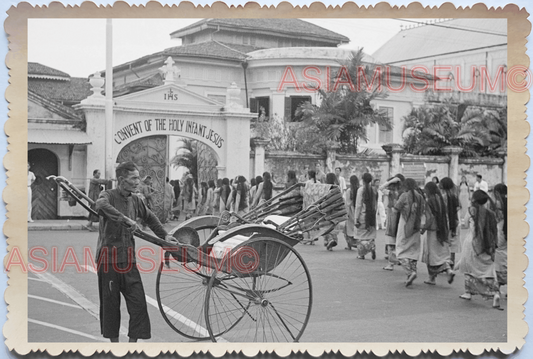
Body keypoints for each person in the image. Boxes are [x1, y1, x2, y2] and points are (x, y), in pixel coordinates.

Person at [95, 161, 174, 342]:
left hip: (129, 261)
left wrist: (165, 237)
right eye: (134, 178)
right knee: (111, 306)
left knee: (138, 304)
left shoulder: (136, 200)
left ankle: (132, 344)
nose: (138, 182)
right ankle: (114, 346)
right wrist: (125, 219)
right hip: (108, 261)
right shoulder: (107, 195)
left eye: (138, 177)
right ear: (122, 180)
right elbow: (100, 206)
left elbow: (150, 218)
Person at [455, 190, 502, 310]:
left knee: (469, 268)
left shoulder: (471, 211)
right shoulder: (491, 213)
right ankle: (495, 293)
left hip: (473, 244)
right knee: (487, 270)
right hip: (487, 244)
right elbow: (494, 230)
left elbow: (464, 224)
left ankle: (468, 292)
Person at [420, 181, 455, 285]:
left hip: (432, 231)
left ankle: (431, 278)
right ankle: (448, 269)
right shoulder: (441, 199)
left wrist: (424, 228)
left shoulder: (429, 201)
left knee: (431, 255)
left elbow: (429, 218)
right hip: (442, 230)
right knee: (441, 254)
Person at [394, 178, 425, 286]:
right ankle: (413, 272)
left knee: (401, 250)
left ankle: (410, 272)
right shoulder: (420, 197)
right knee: (413, 251)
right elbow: (422, 211)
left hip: (405, 225)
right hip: (416, 226)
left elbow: (396, 208)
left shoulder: (404, 195)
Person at [381, 174, 405, 270]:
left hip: (392, 218)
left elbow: (381, 188)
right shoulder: (403, 192)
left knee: (390, 241)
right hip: (401, 219)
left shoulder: (390, 192)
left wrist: (390, 181)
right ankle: (399, 260)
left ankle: (390, 264)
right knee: (398, 241)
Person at [353, 173, 377, 259]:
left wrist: (356, 218)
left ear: (362, 180)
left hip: (362, 216)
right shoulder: (374, 190)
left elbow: (358, 205)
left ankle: (363, 253)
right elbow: (375, 205)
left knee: (360, 237)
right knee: (370, 235)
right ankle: (371, 245)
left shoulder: (361, 190)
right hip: (371, 217)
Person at [440, 177, 461, 265]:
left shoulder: (443, 196)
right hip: (455, 222)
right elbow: (458, 208)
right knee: (453, 244)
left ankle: (445, 263)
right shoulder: (454, 196)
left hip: (447, 222)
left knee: (445, 244)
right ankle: (451, 262)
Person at [493, 183, 507, 292]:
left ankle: (498, 284)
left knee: (498, 253)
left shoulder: (498, 203)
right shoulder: (509, 201)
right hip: (508, 229)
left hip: (501, 229)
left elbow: (497, 217)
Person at [324, 173, 340, 251]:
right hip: (336, 209)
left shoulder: (326, 188)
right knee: (334, 225)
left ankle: (329, 240)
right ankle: (332, 240)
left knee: (327, 226)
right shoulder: (337, 188)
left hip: (328, 209)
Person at [344, 175, 359, 250]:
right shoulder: (359, 190)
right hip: (357, 211)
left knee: (348, 229)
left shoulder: (349, 191)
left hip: (350, 211)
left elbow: (348, 203)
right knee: (355, 228)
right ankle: (356, 243)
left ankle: (349, 244)